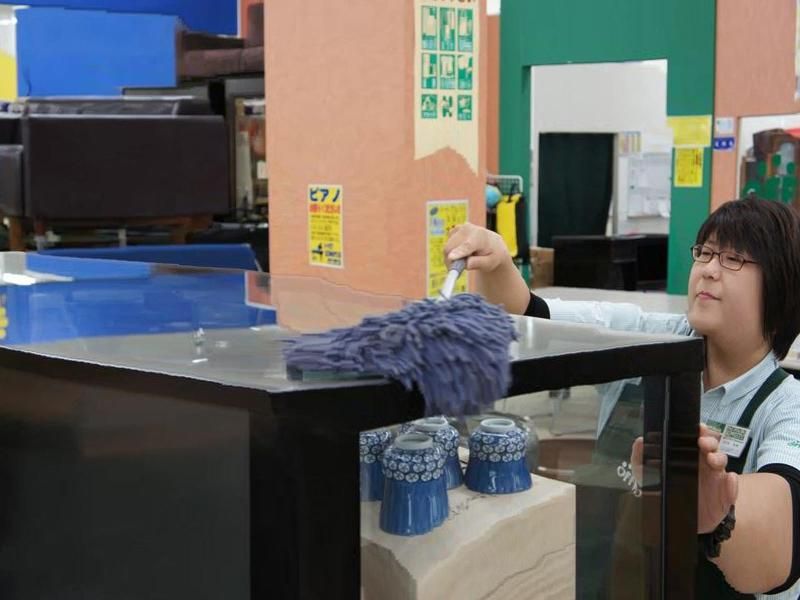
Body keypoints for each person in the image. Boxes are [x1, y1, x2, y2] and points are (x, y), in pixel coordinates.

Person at [444, 197, 800, 599]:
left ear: (781, 286)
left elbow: (779, 541)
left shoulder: (787, 405)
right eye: (705, 252)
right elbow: (528, 315)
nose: (709, 269)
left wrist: (715, 510)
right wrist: (496, 263)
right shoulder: (648, 340)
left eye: (733, 259)